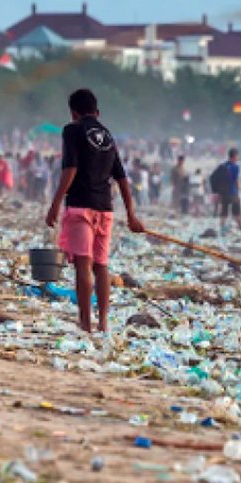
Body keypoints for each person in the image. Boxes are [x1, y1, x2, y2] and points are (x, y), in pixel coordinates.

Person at [46, 88, 145, 333]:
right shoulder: (108, 136)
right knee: (101, 266)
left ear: (73, 113)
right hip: (105, 209)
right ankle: (103, 322)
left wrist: (55, 203)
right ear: (97, 112)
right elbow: (122, 178)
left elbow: (70, 169)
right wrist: (131, 215)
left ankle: (85, 323)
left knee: (83, 265)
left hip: (81, 206)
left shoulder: (72, 130)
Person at [210, 148, 241, 232]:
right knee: (237, 212)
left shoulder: (222, 166)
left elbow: (212, 177)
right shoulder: (235, 167)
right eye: (237, 156)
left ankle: (221, 229)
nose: (238, 157)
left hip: (223, 193)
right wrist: (239, 188)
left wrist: (216, 191)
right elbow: (236, 180)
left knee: (224, 212)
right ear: (234, 156)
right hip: (232, 192)